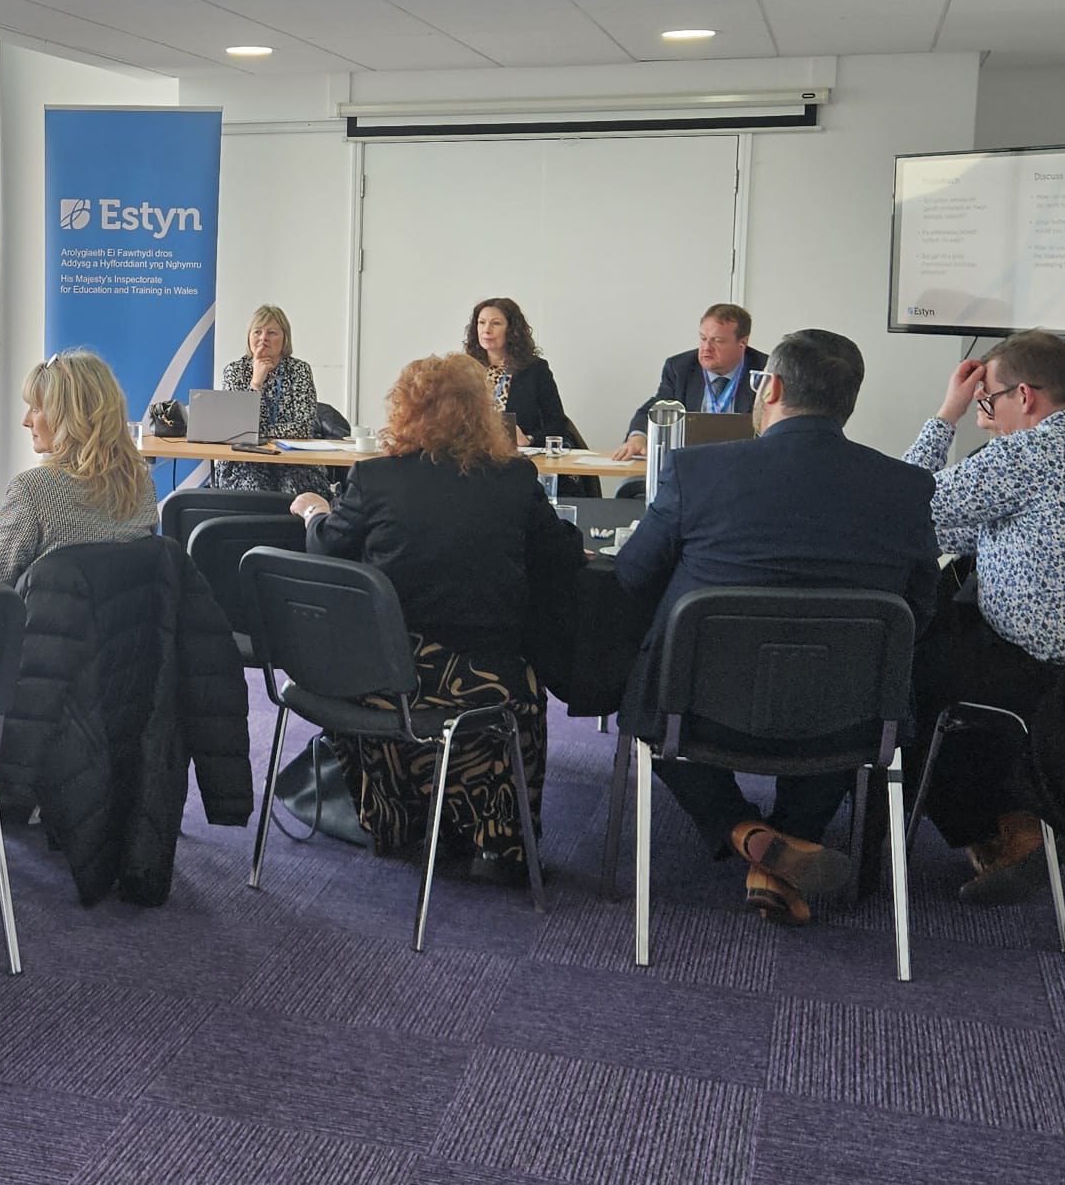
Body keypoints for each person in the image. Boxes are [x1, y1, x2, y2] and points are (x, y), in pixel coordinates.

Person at [614, 330, 940, 925]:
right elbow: (920, 611)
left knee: (650, 701)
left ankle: (747, 834)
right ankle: (789, 842)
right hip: (849, 718)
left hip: (701, 713)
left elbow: (633, 576)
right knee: (846, 683)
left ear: (774, 387)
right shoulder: (906, 487)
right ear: (850, 400)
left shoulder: (696, 471)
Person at [290, 354, 584, 881]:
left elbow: (327, 552)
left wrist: (314, 511)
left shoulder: (374, 477)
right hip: (489, 682)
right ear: (482, 414)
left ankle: (399, 823)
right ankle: (498, 843)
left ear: (406, 409)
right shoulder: (515, 478)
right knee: (524, 678)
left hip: (385, 678)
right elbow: (563, 559)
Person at [901, 330, 1065, 903]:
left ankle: (1004, 829)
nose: (985, 417)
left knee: (898, 673)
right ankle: (1021, 815)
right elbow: (967, 527)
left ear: (1023, 396)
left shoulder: (1027, 453)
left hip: (1024, 666)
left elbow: (899, 506)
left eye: (988, 402)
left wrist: (947, 414)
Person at [0, 350, 158, 584]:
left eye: (36, 409)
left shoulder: (30, 490)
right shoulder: (140, 483)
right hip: (134, 621)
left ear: (70, 417)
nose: (26, 420)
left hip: (47, 621)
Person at [611, 303, 770, 460]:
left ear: (742, 343)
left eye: (718, 341)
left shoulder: (766, 370)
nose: (707, 347)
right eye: (703, 338)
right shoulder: (680, 368)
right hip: (691, 464)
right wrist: (638, 437)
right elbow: (657, 407)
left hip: (745, 463)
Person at [213, 304, 329, 496]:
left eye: (272, 333)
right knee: (254, 489)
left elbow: (303, 428)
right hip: (245, 460)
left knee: (296, 488)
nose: (263, 339)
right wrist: (256, 383)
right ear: (249, 337)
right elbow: (236, 430)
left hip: (294, 460)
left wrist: (258, 434)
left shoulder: (300, 371)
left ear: (285, 339)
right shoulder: (234, 371)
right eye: (257, 332)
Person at [463, 296, 568, 446]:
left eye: (496, 323)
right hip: (472, 454)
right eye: (481, 323)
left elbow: (557, 424)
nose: (486, 330)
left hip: (517, 458)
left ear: (512, 330)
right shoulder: (465, 369)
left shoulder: (535, 369)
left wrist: (529, 439)